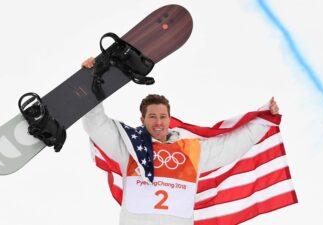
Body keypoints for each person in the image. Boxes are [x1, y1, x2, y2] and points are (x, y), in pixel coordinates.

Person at [81, 57, 280, 225]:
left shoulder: (191, 151)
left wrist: (263, 121)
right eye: (152, 117)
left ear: (169, 119)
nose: (158, 122)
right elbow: (96, 125)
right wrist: (89, 84)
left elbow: (232, 146)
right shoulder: (130, 147)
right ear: (142, 120)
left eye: (162, 117)